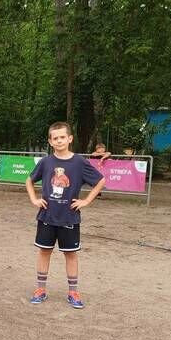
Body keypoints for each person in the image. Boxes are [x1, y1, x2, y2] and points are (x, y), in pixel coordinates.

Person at [25, 122, 105, 310]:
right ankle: (40, 289)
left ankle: (73, 292)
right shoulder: (46, 162)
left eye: (62, 137)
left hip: (69, 218)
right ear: (50, 141)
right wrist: (34, 199)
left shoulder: (79, 162)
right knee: (44, 252)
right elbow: (29, 180)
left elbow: (100, 181)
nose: (59, 140)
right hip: (47, 217)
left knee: (70, 254)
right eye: (55, 138)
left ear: (70, 138)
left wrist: (86, 201)